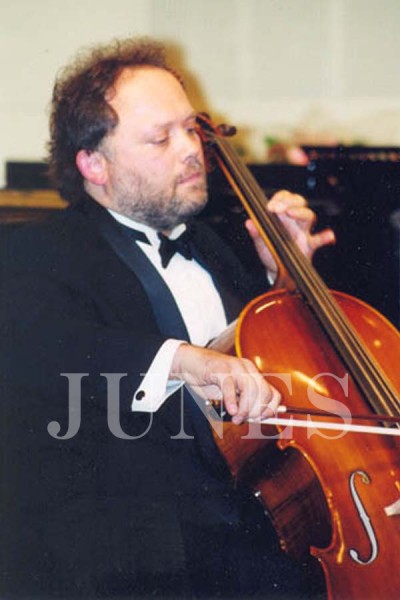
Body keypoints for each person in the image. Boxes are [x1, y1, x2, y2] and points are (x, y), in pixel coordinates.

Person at [0, 38, 334, 599]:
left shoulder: (219, 250)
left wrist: (286, 280)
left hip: (260, 547)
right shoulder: (37, 253)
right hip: (135, 566)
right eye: (160, 138)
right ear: (94, 164)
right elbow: (48, 346)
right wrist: (182, 361)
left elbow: (280, 383)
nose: (191, 150)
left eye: (191, 129)